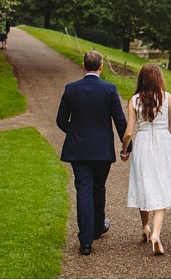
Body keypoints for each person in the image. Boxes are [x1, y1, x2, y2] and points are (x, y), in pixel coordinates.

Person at [56, 50, 127, 256]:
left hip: (78, 148)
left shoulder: (71, 89)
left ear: (83, 66)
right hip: (102, 148)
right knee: (98, 187)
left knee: (83, 190)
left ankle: (86, 240)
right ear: (101, 67)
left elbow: (61, 121)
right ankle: (97, 227)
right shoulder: (109, 89)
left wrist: (75, 133)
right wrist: (126, 146)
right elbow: (119, 120)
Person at [121, 63, 171, 255]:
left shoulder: (134, 100)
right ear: (159, 78)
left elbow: (128, 131)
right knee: (161, 186)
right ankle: (156, 234)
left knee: (145, 183)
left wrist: (124, 149)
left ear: (142, 79)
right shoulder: (166, 97)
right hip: (163, 143)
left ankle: (146, 226)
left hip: (143, 142)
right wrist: (164, 138)